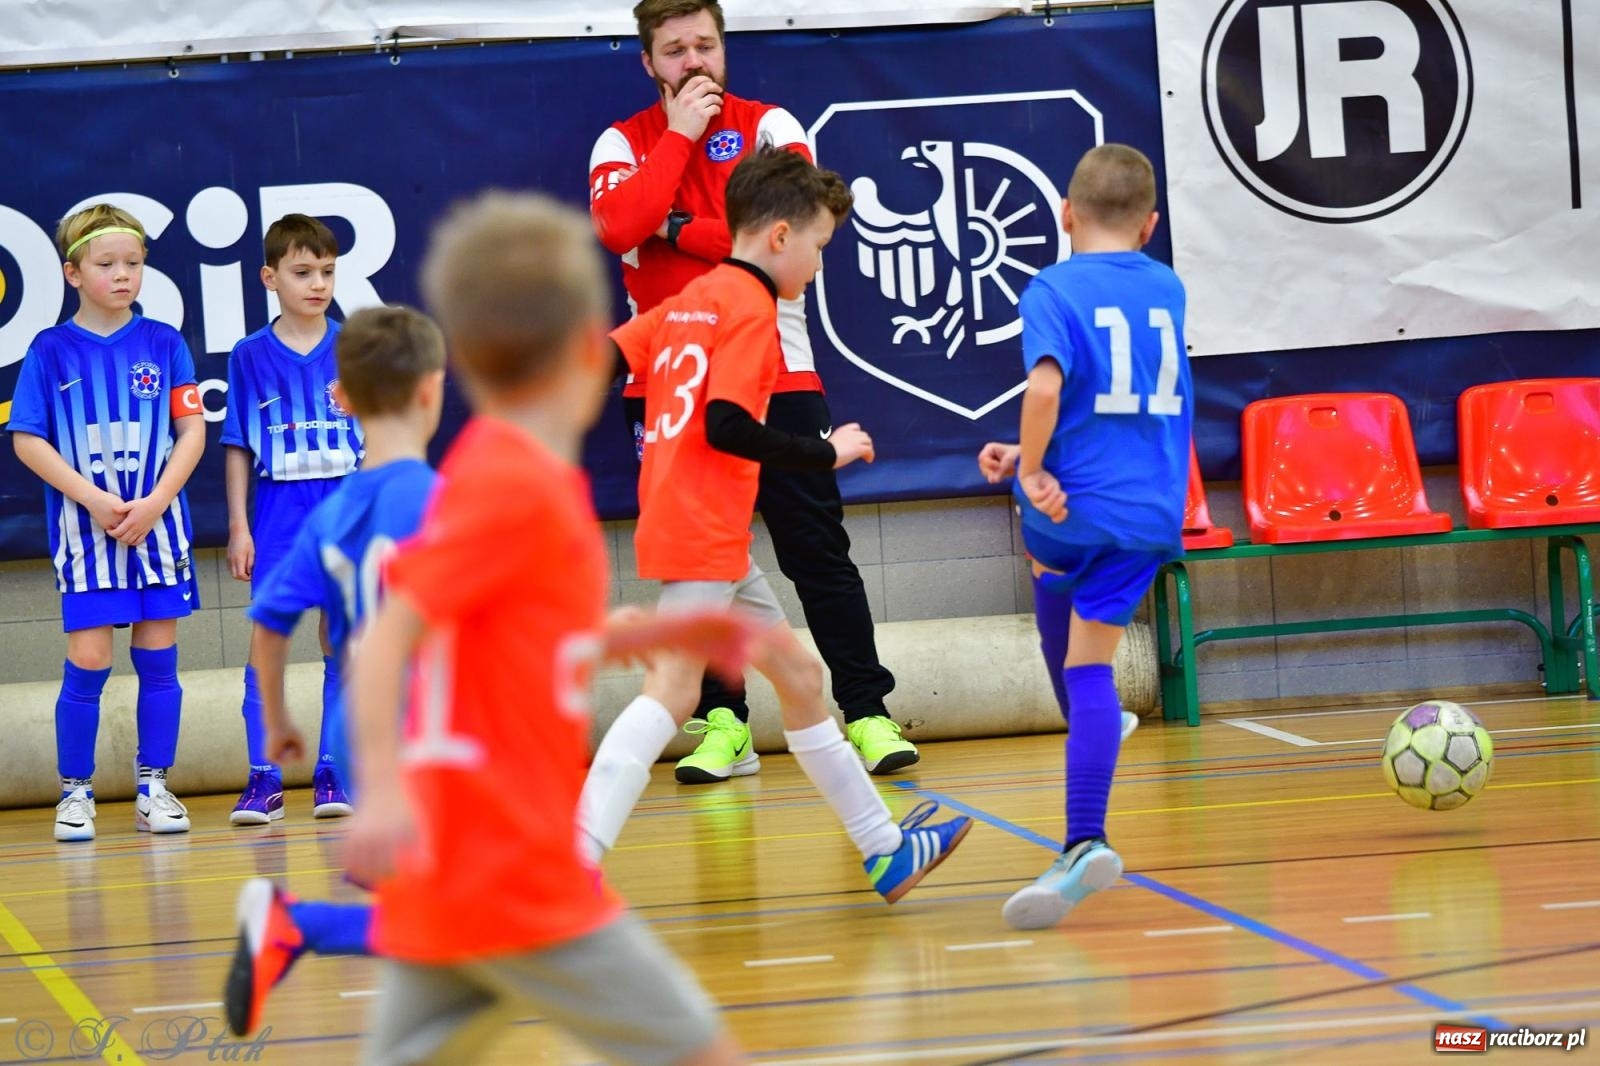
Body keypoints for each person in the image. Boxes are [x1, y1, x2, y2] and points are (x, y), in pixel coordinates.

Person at [342, 191, 755, 1066]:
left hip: (451, 872)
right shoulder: (519, 486)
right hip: (511, 869)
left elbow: (493, 640)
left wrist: (611, 639)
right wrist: (377, 791)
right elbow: (385, 640)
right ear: (586, 350)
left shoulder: (497, 470)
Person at [581, 147, 971, 904]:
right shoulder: (753, 311)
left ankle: (884, 847)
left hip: (709, 531)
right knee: (672, 691)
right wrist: (824, 451)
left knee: (799, 677)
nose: (820, 266)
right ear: (782, 236)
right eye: (821, 247)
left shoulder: (695, 296)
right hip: (703, 531)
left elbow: (605, 358)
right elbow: (727, 424)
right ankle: (573, 856)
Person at [590, 0, 917, 783]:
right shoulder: (623, 141)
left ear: (725, 47)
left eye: (706, 45)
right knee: (703, 568)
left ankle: (868, 712)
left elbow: (784, 236)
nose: (694, 62)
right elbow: (617, 227)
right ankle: (725, 725)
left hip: (782, 368)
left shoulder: (771, 124)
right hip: (668, 387)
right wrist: (679, 143)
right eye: (674, 51)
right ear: (648, 63)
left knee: (818, 552)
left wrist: (671, 228)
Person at [978, 144, 1192, 930]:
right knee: (1090, 651)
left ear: (1065, 214)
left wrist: (1031, 468)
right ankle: (1097, 717)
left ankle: (1084, 838)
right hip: (1152, 514)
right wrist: (1028, 450)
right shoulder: (1168, 285)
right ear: (1151, 225)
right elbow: (1111, 397)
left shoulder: (1052, 286)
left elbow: (1048, 386)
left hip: (1076, 511)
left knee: (1056, 582)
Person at [222, 305, 446, 1038]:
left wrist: (282, 723)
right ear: (431, 392)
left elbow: (268, 621)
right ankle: (299, 924)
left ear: (340, 399)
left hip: (357, 734)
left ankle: (297, 925)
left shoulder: (331, 515)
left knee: (449, 922)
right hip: (424, 732)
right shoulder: (444, 502)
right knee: (502, 912)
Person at [9, 203, 205, 842]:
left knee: (158, 660)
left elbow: (192, 430)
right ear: (72, 273)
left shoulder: (165, 343)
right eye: (107, 264)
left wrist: (155, 503)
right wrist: (93, 499)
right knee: (89, 661)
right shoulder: (50, 350)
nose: (123, 275)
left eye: (135, 263)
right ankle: (75, 793)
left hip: (157, 529)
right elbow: (27, 440)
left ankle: (154, 786)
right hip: (86, 533)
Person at [221, 213, 364, 825]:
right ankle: (265, 778)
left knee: (343, 642)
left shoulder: (358, 345)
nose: (318, 284)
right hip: (279, 508)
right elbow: (236, 445)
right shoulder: (250, 355)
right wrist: (237, 525)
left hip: (344, 501)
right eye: (303, 272)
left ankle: (335, 769)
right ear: (269, 277)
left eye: (327, 272)